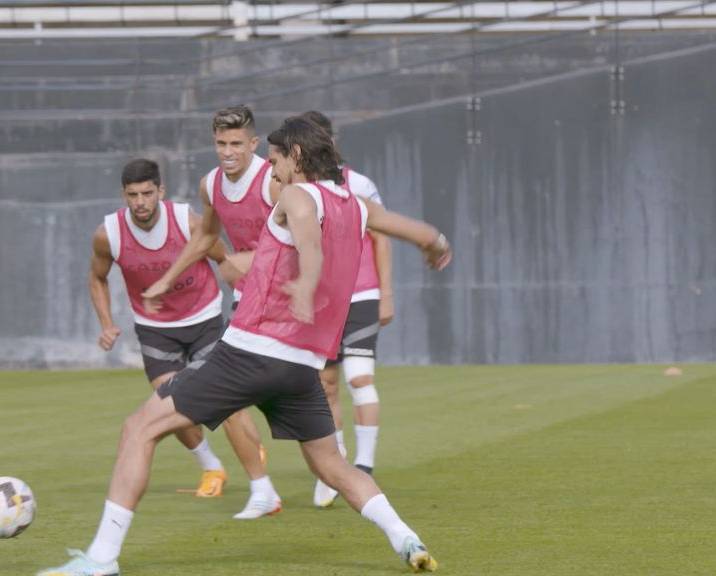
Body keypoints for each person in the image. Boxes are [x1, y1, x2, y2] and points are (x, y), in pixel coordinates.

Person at [37, 116, 450, 576]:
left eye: (274, 161)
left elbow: (309, 243)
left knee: (139, 429)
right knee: (332, 464)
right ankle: (405, 538)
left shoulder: (295, 194)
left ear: (296, 156)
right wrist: (435, 244)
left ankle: (101, 559)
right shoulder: (356, 204)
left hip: (251, 351)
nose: (270, 172)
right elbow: (417, 231)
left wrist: (306, 283)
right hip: (300, 368)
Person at [146, 105, 279, 519]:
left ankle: (341, 463)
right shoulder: (212, 185)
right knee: (227, 392)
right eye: (221, 143)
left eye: (236, 143)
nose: (227, 151)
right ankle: (262, 490)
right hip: (247, 305)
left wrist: (253, 260)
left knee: (318, 391)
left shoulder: (273, 182)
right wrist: (168, 280)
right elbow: (205, 238)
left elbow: (304, 239)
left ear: (253, 144)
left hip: (290, 303)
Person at [89, 158, 236, 498]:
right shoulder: (107, 233)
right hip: (155, 329)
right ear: (123, 195)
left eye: (146, 193)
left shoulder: (187, 221)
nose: (140, 202)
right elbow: (97, 277)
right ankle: (212, 467)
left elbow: (224, 259)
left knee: (229, 401)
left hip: (204, 318)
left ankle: (257, 470)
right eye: (132, 194)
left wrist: (244, 304)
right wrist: (107, 323)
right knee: (172, 402)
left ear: (160, 191)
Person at [300, 110, 392, 507]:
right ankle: (334, 466)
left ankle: (365, 466)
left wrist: (386, 292)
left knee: (359, 378)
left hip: (362, 294)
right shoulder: (302, 191)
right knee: (325, 385)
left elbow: (382, 237)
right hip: (323, 302)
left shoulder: (360, 184)